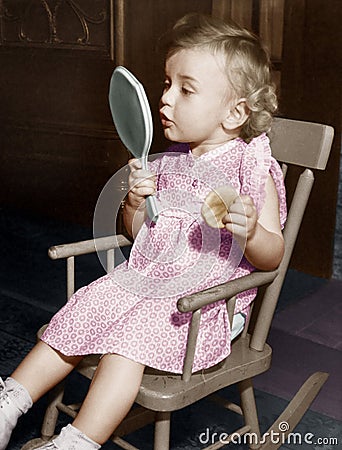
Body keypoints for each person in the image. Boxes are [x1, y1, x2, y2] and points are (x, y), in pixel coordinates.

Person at [0, 13, 286, 449]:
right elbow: (140, 235)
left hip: (203, 306)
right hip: (147, 283)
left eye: (185, 89)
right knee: (86, 305)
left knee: (128, 339)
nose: (165, 99)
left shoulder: (250, 168)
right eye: (166, 83)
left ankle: (78, 440)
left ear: (235, 113)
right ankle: (11, 402)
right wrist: (135, 204)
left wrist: (251, 233)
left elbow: (273, 258)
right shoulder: (170, 161)